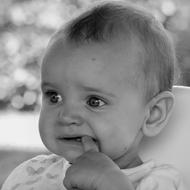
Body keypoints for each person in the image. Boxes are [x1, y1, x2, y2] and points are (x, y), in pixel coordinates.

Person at [2, 1, 186, 190]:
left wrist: (111, 184)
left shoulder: (161, 183)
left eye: (94, 101)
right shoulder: (30, 173)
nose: (66, 116)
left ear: (154, 114)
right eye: (54, 96)